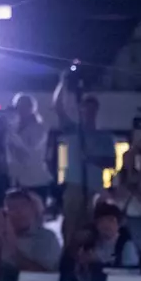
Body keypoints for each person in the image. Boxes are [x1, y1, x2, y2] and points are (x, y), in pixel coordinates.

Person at [53, 72, 116, 241]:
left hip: (95, 187)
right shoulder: (73, 130)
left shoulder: (104, 137)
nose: (89, 112)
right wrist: (62, 83)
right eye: (86, 108)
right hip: (74, 186)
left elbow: (112, 163)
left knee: (91, 227)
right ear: (81, 109)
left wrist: (91, 158)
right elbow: (59, 108)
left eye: (92, 108)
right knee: (71, 226)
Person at [0, 189, 62, 281]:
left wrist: (12, 250)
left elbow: (44, 277)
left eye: (23, 207)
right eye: (12, 208)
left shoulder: (46, 238)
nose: (18, 212)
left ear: (34, 210)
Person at [5, 93, 53, 200]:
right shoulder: (13, 128)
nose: (20, 110)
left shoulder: (39, 128)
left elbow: (30, 149)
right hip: (16, 180)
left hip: (35, 181)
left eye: (24, 106)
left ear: (32, 108)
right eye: (18, 107)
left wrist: (13, 133)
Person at [73, 202, 141, 275]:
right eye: (102, 221)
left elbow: (132, 272)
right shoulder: (90, 244)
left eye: (111, 220)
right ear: (96, 224)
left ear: (118, 224)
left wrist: (100, 262)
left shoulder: (125, 244)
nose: (106, 225)